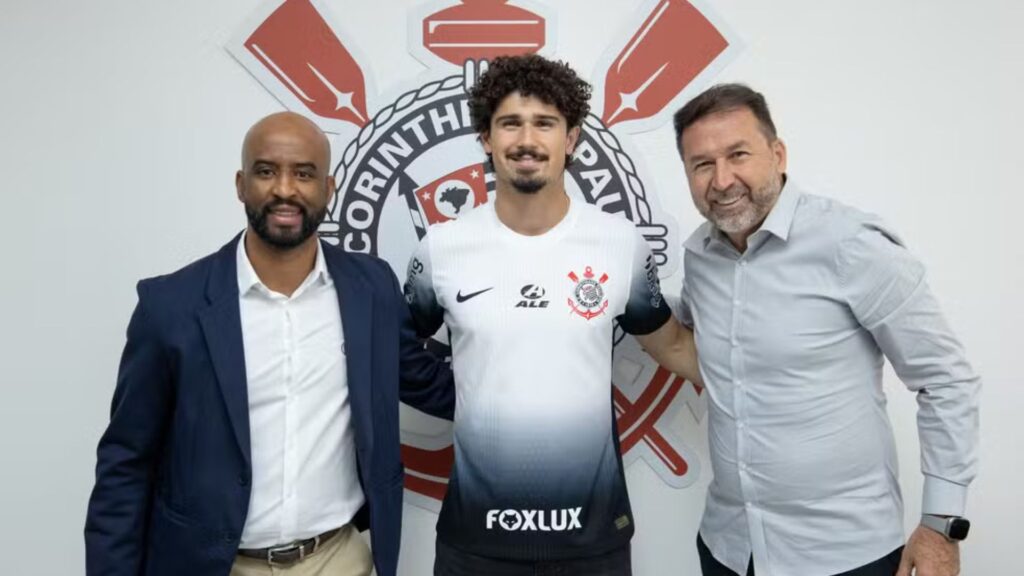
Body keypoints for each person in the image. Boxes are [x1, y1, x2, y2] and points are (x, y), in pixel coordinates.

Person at [84, 112, 453, 576]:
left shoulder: (371, 288)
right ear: (241, 185)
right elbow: (126, 463)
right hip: (215, 565)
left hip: (338, 558)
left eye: (304, 174)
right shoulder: (171, 307)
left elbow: (422, 380)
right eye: (266, 171)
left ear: (329, 188)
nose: (284, 189)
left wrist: (521, 391)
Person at [403, 54, 702, 576]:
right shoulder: (442, 248)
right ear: (486, 138)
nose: (527, 140)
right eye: (510, 123)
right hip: (475, 541)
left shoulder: (619, 244)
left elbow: (674, 345)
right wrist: (468, 397)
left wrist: (772, 380)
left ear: (572, 137)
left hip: (590, 540)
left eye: (545, 123)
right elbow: (398, 350)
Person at [672, 84, 980, 576]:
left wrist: (941, 525)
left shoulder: (851, 244)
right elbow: (694, 336)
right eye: (702, 164)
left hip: (843, 554)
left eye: (738, 155)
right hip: (729, 548)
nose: (723, 179)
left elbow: (945, 379)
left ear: (777, 154)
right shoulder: (700, 257)